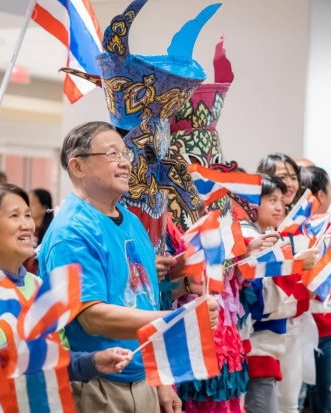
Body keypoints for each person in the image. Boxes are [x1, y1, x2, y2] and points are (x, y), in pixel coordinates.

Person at [37, 121, 218, 413]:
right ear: (77, 166)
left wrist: (161, 382)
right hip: (99, 384)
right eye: (112, 154)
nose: (125, 163)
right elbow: (91, 317)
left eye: (126, 154)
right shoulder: (71, 232)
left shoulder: (131, 221)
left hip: (143, 377)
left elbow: (145, 298)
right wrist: (178, 319)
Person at [0, 183, 132, 383]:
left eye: (28, 215)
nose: (27, 225)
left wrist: (93, 362)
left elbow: (56, 358)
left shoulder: (37, 285)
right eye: (14, 216)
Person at [240, 175, 316, 413]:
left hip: (265, 349)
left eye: (280, 200)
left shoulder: (267, 237)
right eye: (271, 199)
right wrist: (295, 267)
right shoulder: (250, 239)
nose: (279, 206)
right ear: (251, 202)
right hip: (254, 351)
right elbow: (259, 304)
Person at [299, 165, 331, 413]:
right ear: (322, 195)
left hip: (327, 326)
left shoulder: (327, 230)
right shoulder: (305, 231)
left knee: (320, 401)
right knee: (306, 402)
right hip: (303, 328)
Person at [23, 188, 54, 274]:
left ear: (44, 208)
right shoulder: (23, 229)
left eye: (32, 203)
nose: (27, 207)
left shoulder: (50, 233)